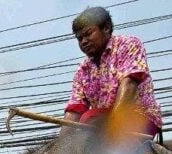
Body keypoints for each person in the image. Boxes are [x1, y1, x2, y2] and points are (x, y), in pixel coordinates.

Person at [64, 6, 162, 136]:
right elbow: (75, 110)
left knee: (90, 119)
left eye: (88, 34)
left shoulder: (128, 45)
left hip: (138, 117)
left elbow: (129, 85)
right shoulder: (82, 70)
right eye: (79, 38)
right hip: (102, 122)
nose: (84, 41)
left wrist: (113, 126)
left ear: (106, 28)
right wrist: (60, 147)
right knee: (87, 120)